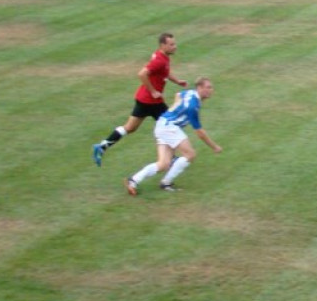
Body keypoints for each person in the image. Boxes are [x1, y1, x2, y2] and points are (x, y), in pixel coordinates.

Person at [92, 33, 188, 166]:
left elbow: (164, 71)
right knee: (170, 126)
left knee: (130, 128)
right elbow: (142, 74)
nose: (175, 47)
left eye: (174, 44)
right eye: (171, 44)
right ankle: (170, 158)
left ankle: (102, 146)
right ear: (163, 45)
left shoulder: (161, 56)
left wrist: (177, 81)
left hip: (144, 100)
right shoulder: (159, 60)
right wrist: (153, 91)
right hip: (152, 102)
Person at [125, 77, 222, 195]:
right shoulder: (193, 106)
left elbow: (178, 95)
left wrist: (174, 109)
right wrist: (214, 147)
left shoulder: (190, 93)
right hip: (170, 128)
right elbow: (200, 133)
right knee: (190, 154)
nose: (211, 90)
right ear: (200, 88)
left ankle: (133, 180)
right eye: (208, 87)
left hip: (162, 124)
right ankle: (166, 182)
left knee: (163, 164)